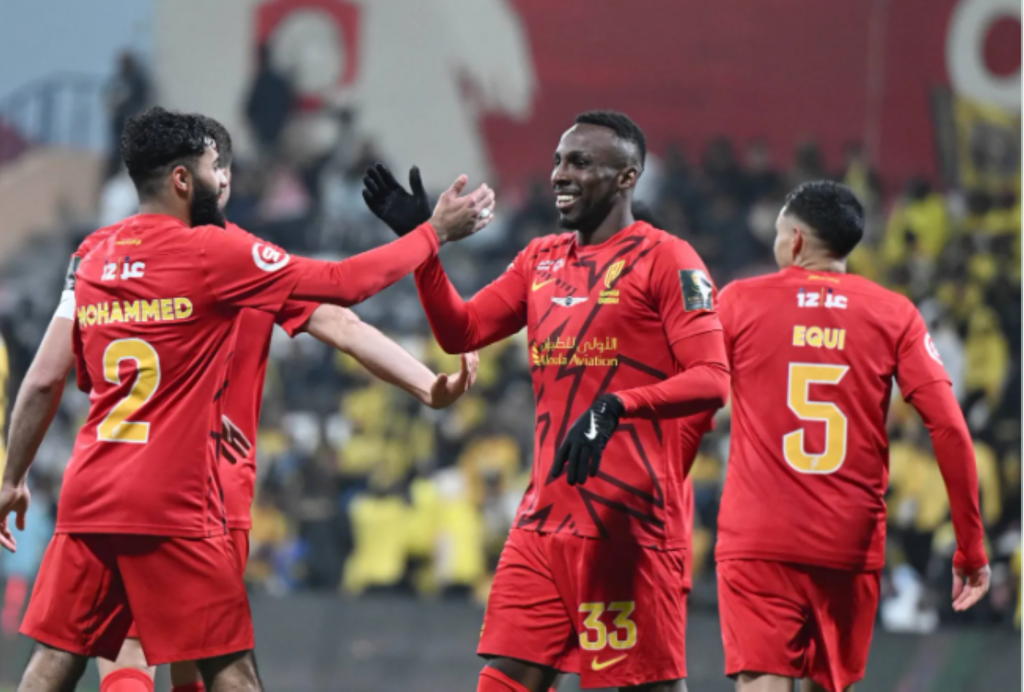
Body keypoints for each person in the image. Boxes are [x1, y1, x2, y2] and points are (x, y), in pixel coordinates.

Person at [0, 107, 494, 692]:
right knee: (204, 662)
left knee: (89, 655)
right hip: (191, 496)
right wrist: (431, 235)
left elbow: (48, 378)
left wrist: (425, 385)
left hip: (105, 487)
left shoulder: (95, 255)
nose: (224, 178)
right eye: (216, 166)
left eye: (226, 166)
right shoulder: (226, 256)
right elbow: (344, 290)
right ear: (186, 178)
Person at [362, 110, 731, 691]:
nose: (560, 174)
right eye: (558, 161)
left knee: (645, 685)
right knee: (505, 678)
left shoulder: (668, 259)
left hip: (626, 522)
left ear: (627, 177)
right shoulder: (541, 258)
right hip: (543, 519)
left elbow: (712, 379)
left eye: (580, 162)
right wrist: (421, 246)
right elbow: (460, 332)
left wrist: (615, 407)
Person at [714, 181, 990, 692]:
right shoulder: (895, 313)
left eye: (778, 234)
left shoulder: (739, 301)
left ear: (795, 240)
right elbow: (950, 428)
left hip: (758, 538)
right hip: (849, 541)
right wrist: (970, 547)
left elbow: (691, 397)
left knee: (762, 684)